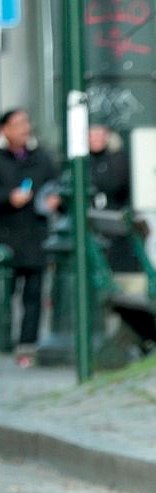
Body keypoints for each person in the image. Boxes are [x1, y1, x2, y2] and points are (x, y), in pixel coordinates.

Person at [0, 109, 62, 368]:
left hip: (35, 237)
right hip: (6, 238)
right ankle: (4, 342)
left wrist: (54, 199)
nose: (24, 128)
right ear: (5, 129)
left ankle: (27, 345)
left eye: (26, 123)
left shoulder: (42, 158)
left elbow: (57, 186)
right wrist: (8, 198)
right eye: (18, 124)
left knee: (33, 295)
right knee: (5, 293)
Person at [88, 123, 143, 276]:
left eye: (99, 134)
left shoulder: (118, 159)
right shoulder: (84, 162)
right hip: (93, 225)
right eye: (92, 134)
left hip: (116, 224)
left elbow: (116, 184)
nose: (95, 139)